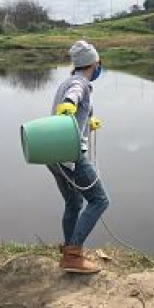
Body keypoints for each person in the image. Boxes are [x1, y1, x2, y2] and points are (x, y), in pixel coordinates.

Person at [48, 40, 109, 273]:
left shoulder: (65, 82)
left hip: (53, 154)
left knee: (74, 202)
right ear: (94, 63)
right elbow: (72, 98)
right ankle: (74, 253)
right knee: (100, 200)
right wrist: (69, 106)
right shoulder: (79, 83)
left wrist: (86, 125)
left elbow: (72, 112)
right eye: (98, 62)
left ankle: (69, 251)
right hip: (71, 155)